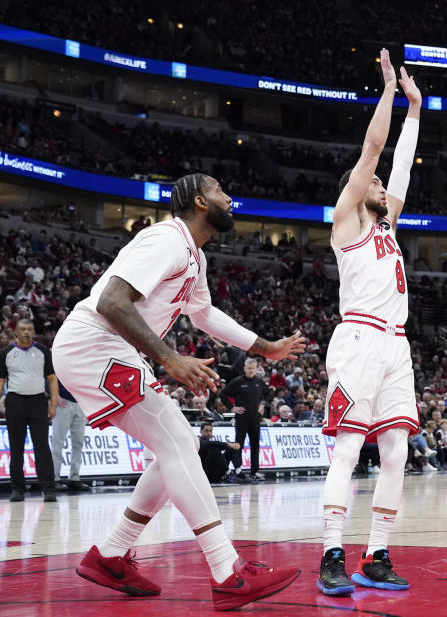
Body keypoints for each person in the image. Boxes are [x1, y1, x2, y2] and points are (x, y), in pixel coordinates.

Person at [51, 173, 304, 610]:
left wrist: (266, 347)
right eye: (221, 190)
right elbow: (112, 302)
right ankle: (228, 572)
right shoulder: (166, 239)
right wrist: (169, 358)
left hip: (110, 349)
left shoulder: (195, 258)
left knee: (179, 444)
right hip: (94, 343)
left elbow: (204, 315)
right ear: (199, 201)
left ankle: (111, 555)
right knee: (176, 443)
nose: (230, 196)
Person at [317, 50, 420, 597]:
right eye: (375, 184)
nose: (384, 186)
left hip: (396, 346)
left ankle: (375, 554)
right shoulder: (348, 220)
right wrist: (386, 89)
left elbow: (398, 164)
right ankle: (331, 553)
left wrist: (417, 112)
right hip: (358, 337)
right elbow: (374, 151)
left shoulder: (388, 227)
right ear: (358, 193)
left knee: (397, 451)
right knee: (348, 450)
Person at [0, 318, 58, 502]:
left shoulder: (43, 351)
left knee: (41, 446)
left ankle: (48, 489)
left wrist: (53, 404)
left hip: (38, 402)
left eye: (30, 329)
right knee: (15, 447)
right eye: (23, 329)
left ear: (34, 332)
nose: (26, 332)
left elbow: (52, 378)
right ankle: (17, 489)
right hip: (15, 402)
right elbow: (0, 381)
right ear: (16, 331)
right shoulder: (6, 353)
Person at [219, 357, 269, 481]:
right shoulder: (238, 381)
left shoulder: (259, 381)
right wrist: (232, 407)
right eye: (249, 368)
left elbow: (267, 393)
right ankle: (238, 470)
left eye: (253, 368)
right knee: (238, 445)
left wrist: (262, 404)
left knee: (255, 445)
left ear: (256, 369)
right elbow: (223, 394)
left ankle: (254, 471)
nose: (251, 370)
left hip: (255, 418)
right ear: (244, 368)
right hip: (241, 418)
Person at [51, 383, 91, 491]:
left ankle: (74, 478)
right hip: (63, 402)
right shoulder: (57, 365)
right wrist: (55, 396)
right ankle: (54, 478)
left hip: (80, 403)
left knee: (79, 443)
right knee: (58, 442)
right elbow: (49, 377)